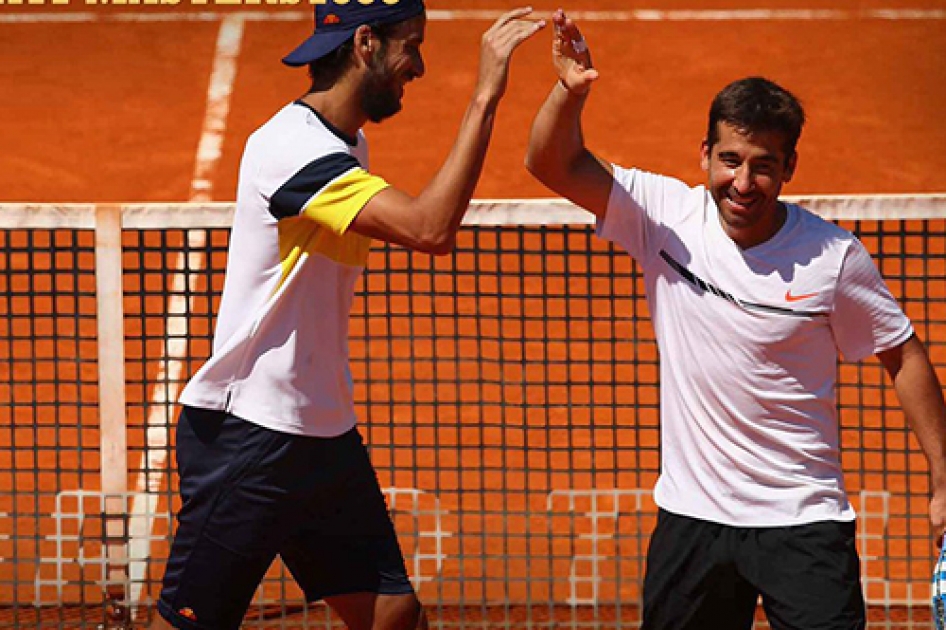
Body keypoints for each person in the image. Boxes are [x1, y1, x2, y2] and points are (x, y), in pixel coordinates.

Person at [525, 9, 946, 630]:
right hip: (693, 520)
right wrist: (570, 90)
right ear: (705, 155)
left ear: (789, 168)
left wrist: (943, 479)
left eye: (763, 164)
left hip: (803, 521)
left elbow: (903, 353)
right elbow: (550, 164)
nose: (743, 182)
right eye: (729, 159)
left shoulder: (833, 260)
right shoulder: (664, 216)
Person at [150, 3, 544, 629]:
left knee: (391, 610)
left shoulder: (347, 143)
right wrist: (485, 96)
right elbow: (429, 228)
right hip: (249, 433)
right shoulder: (290, 149)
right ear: (366, 43)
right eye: (410, 46)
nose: (417, 64)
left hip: (321, 432)